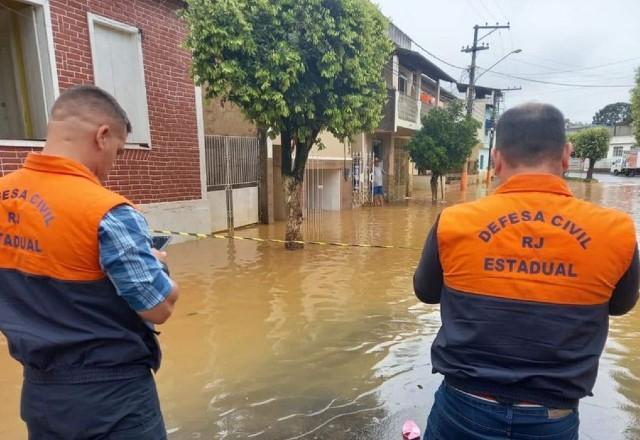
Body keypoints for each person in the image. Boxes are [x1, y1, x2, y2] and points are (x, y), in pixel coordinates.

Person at [413, 103, 639, 440]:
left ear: (497, 157)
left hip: (463, 410)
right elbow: (620, 306)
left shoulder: (454, 222)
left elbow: (426, 291)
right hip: (552, 418)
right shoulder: (617, 230)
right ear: (566, 155)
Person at [0, 85, 179, 439]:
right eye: (119, 150)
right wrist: (156, 264)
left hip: (41, 397)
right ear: (102, 136)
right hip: (113, 400)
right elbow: (158, 306)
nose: (114, 165)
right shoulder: (107, 211)